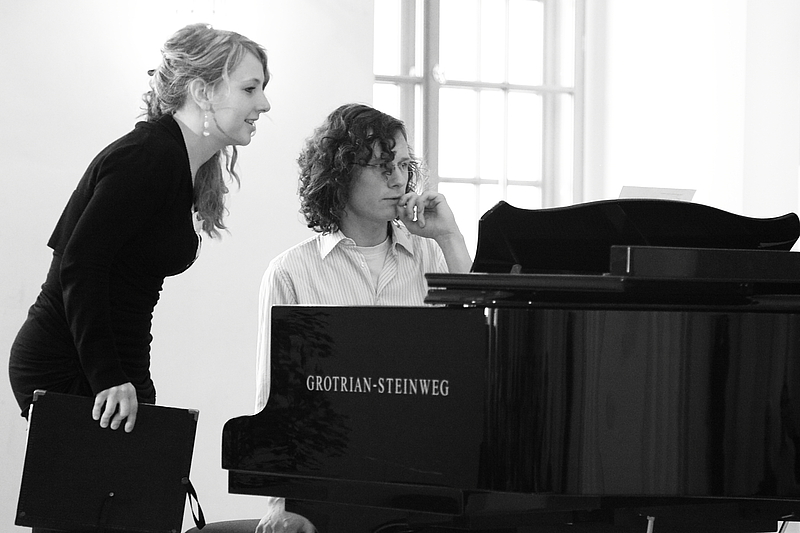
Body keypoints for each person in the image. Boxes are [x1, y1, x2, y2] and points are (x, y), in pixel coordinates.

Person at [8, 23, 271, 435]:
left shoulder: (177, 160)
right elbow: (80, 264)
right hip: (73, 364)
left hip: (115, 365)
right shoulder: (148, 157)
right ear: (202, 92)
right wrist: (108, 377)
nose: (264, 104)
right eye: (250, 89)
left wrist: (122, 375)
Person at [253, 103, 472, 533]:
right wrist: (282, 502)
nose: (398, 179)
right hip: (330, 484)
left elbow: (481, 342)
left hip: (426, 479)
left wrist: (449, 236)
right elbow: (274, 402)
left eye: (404, 165)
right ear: (341, 174)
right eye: (381, 166)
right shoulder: (291, 272)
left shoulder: (431, 255)